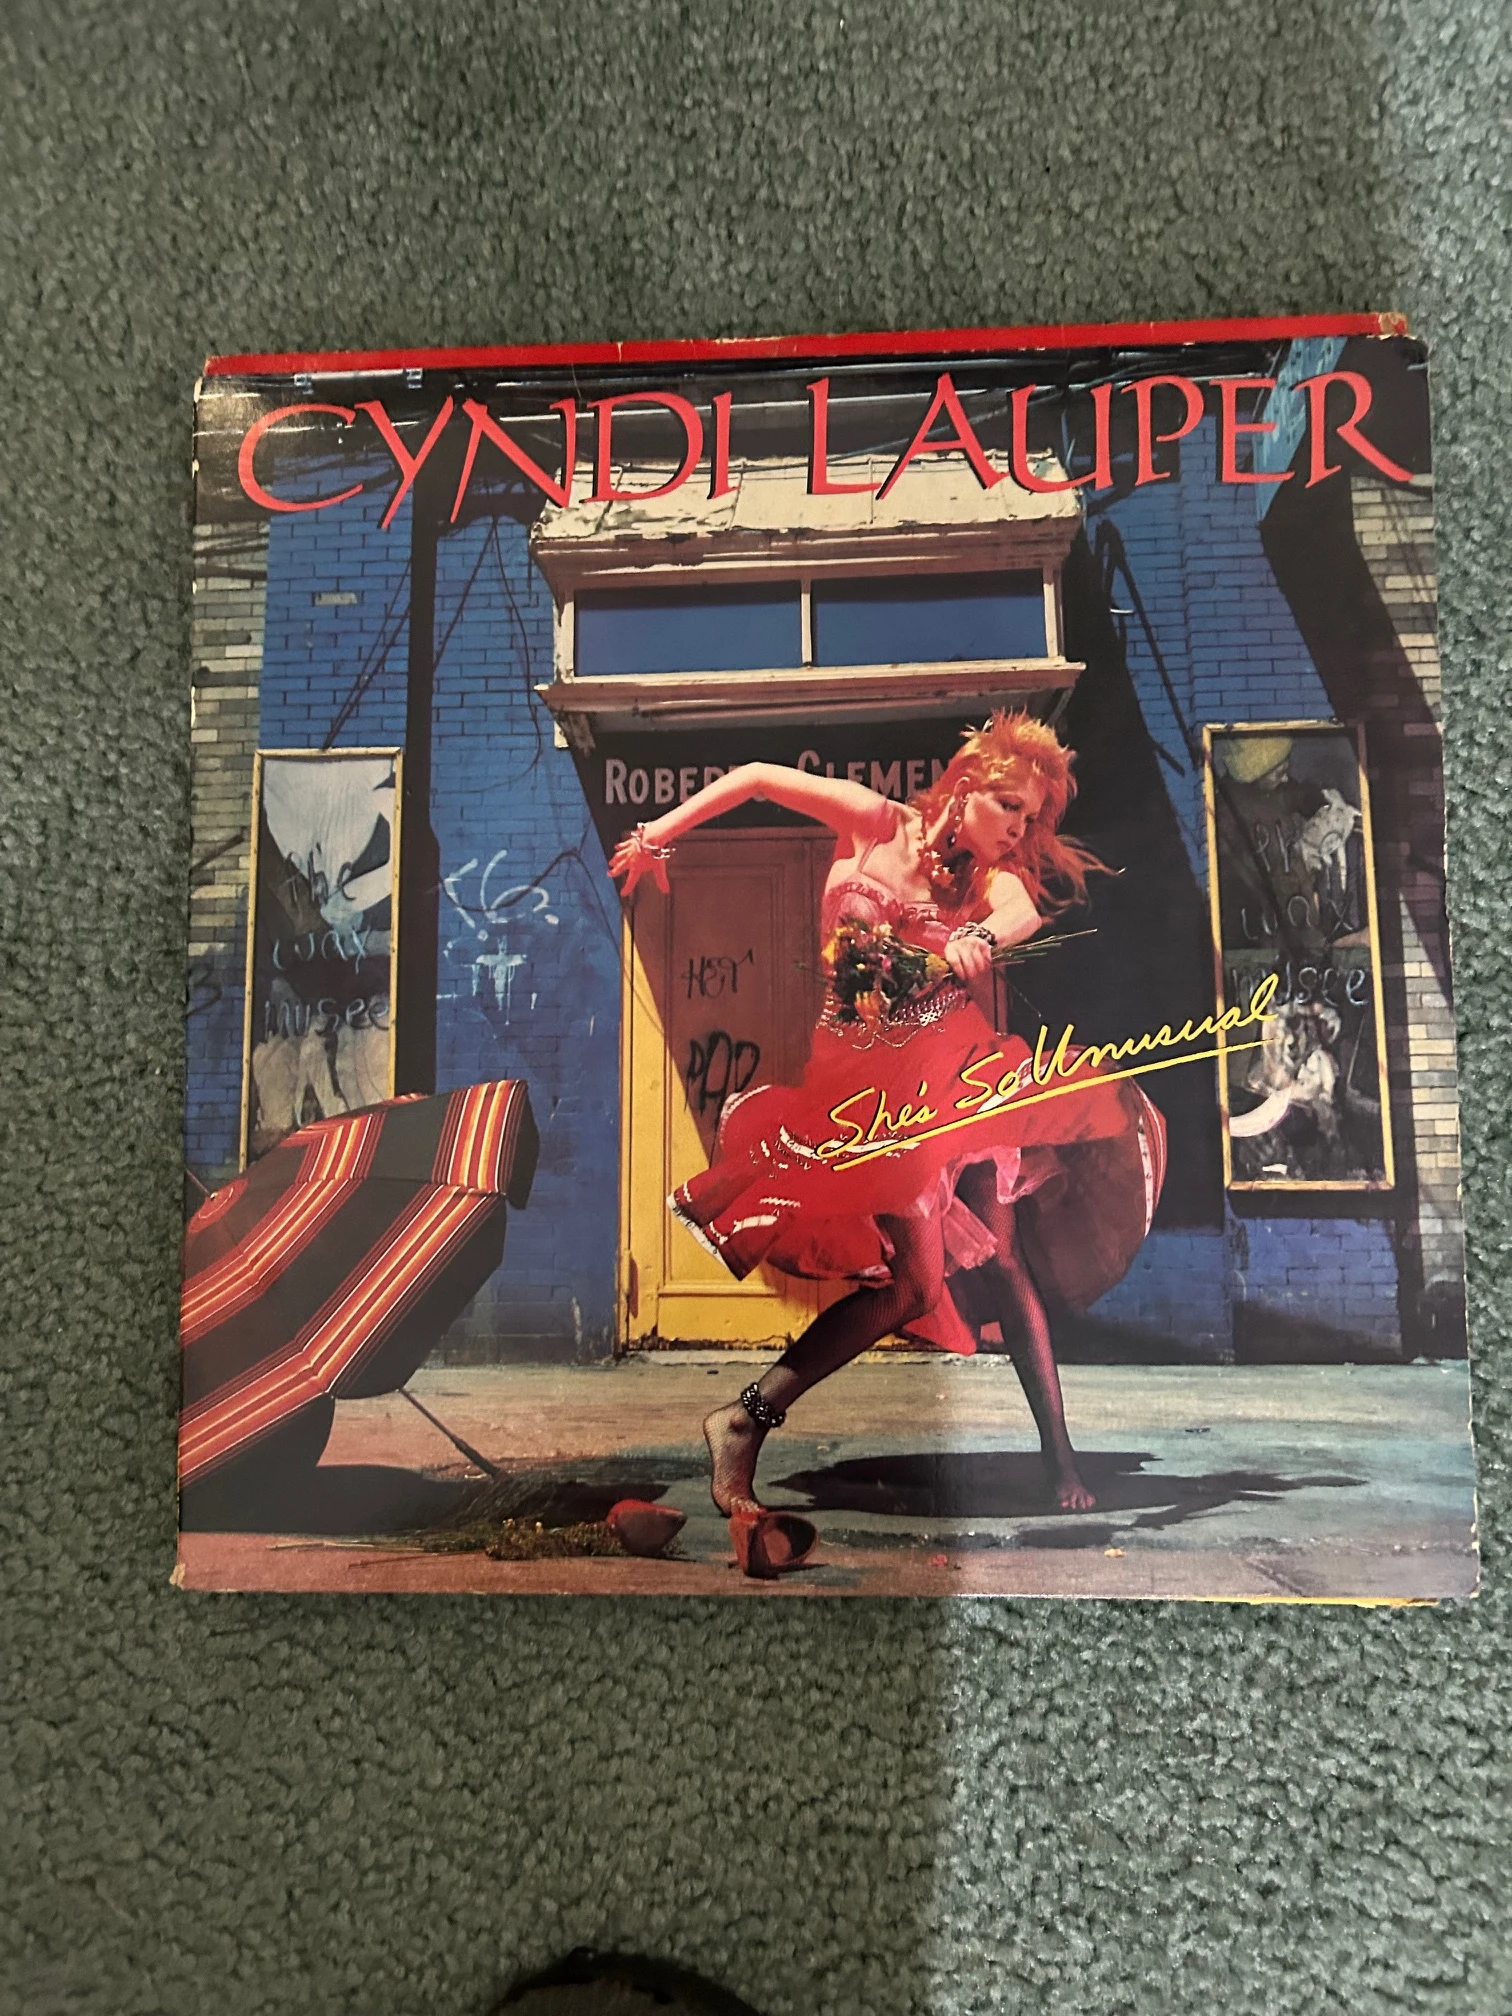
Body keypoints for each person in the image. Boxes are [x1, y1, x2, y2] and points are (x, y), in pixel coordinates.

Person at [609, 712, 1165, 1573]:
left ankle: (1059, 1456)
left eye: (1030, 818)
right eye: (1009, 806)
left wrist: (981, 937)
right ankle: (743, 1419)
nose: (1017, 828)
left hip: (951, 1073)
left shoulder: (991, 879)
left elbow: (1019, 911)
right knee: (911, 1285)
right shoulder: (874, 822)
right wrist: (658, 834)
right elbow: (758, 773)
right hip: (859, 1081)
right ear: (967, 785)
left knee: (1002, 1260)